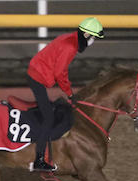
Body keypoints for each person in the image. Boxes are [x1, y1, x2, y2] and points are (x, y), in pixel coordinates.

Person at [27, 17, 104, 172]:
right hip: (37, 77)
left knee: (50, 110)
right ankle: (39, 160)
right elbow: (60, 73)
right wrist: (69, 93)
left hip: (37, 73)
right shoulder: (70, 46)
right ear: (87, 35)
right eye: (93, 37)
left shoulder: (70, 39)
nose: (93, 41)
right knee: (48, 117)